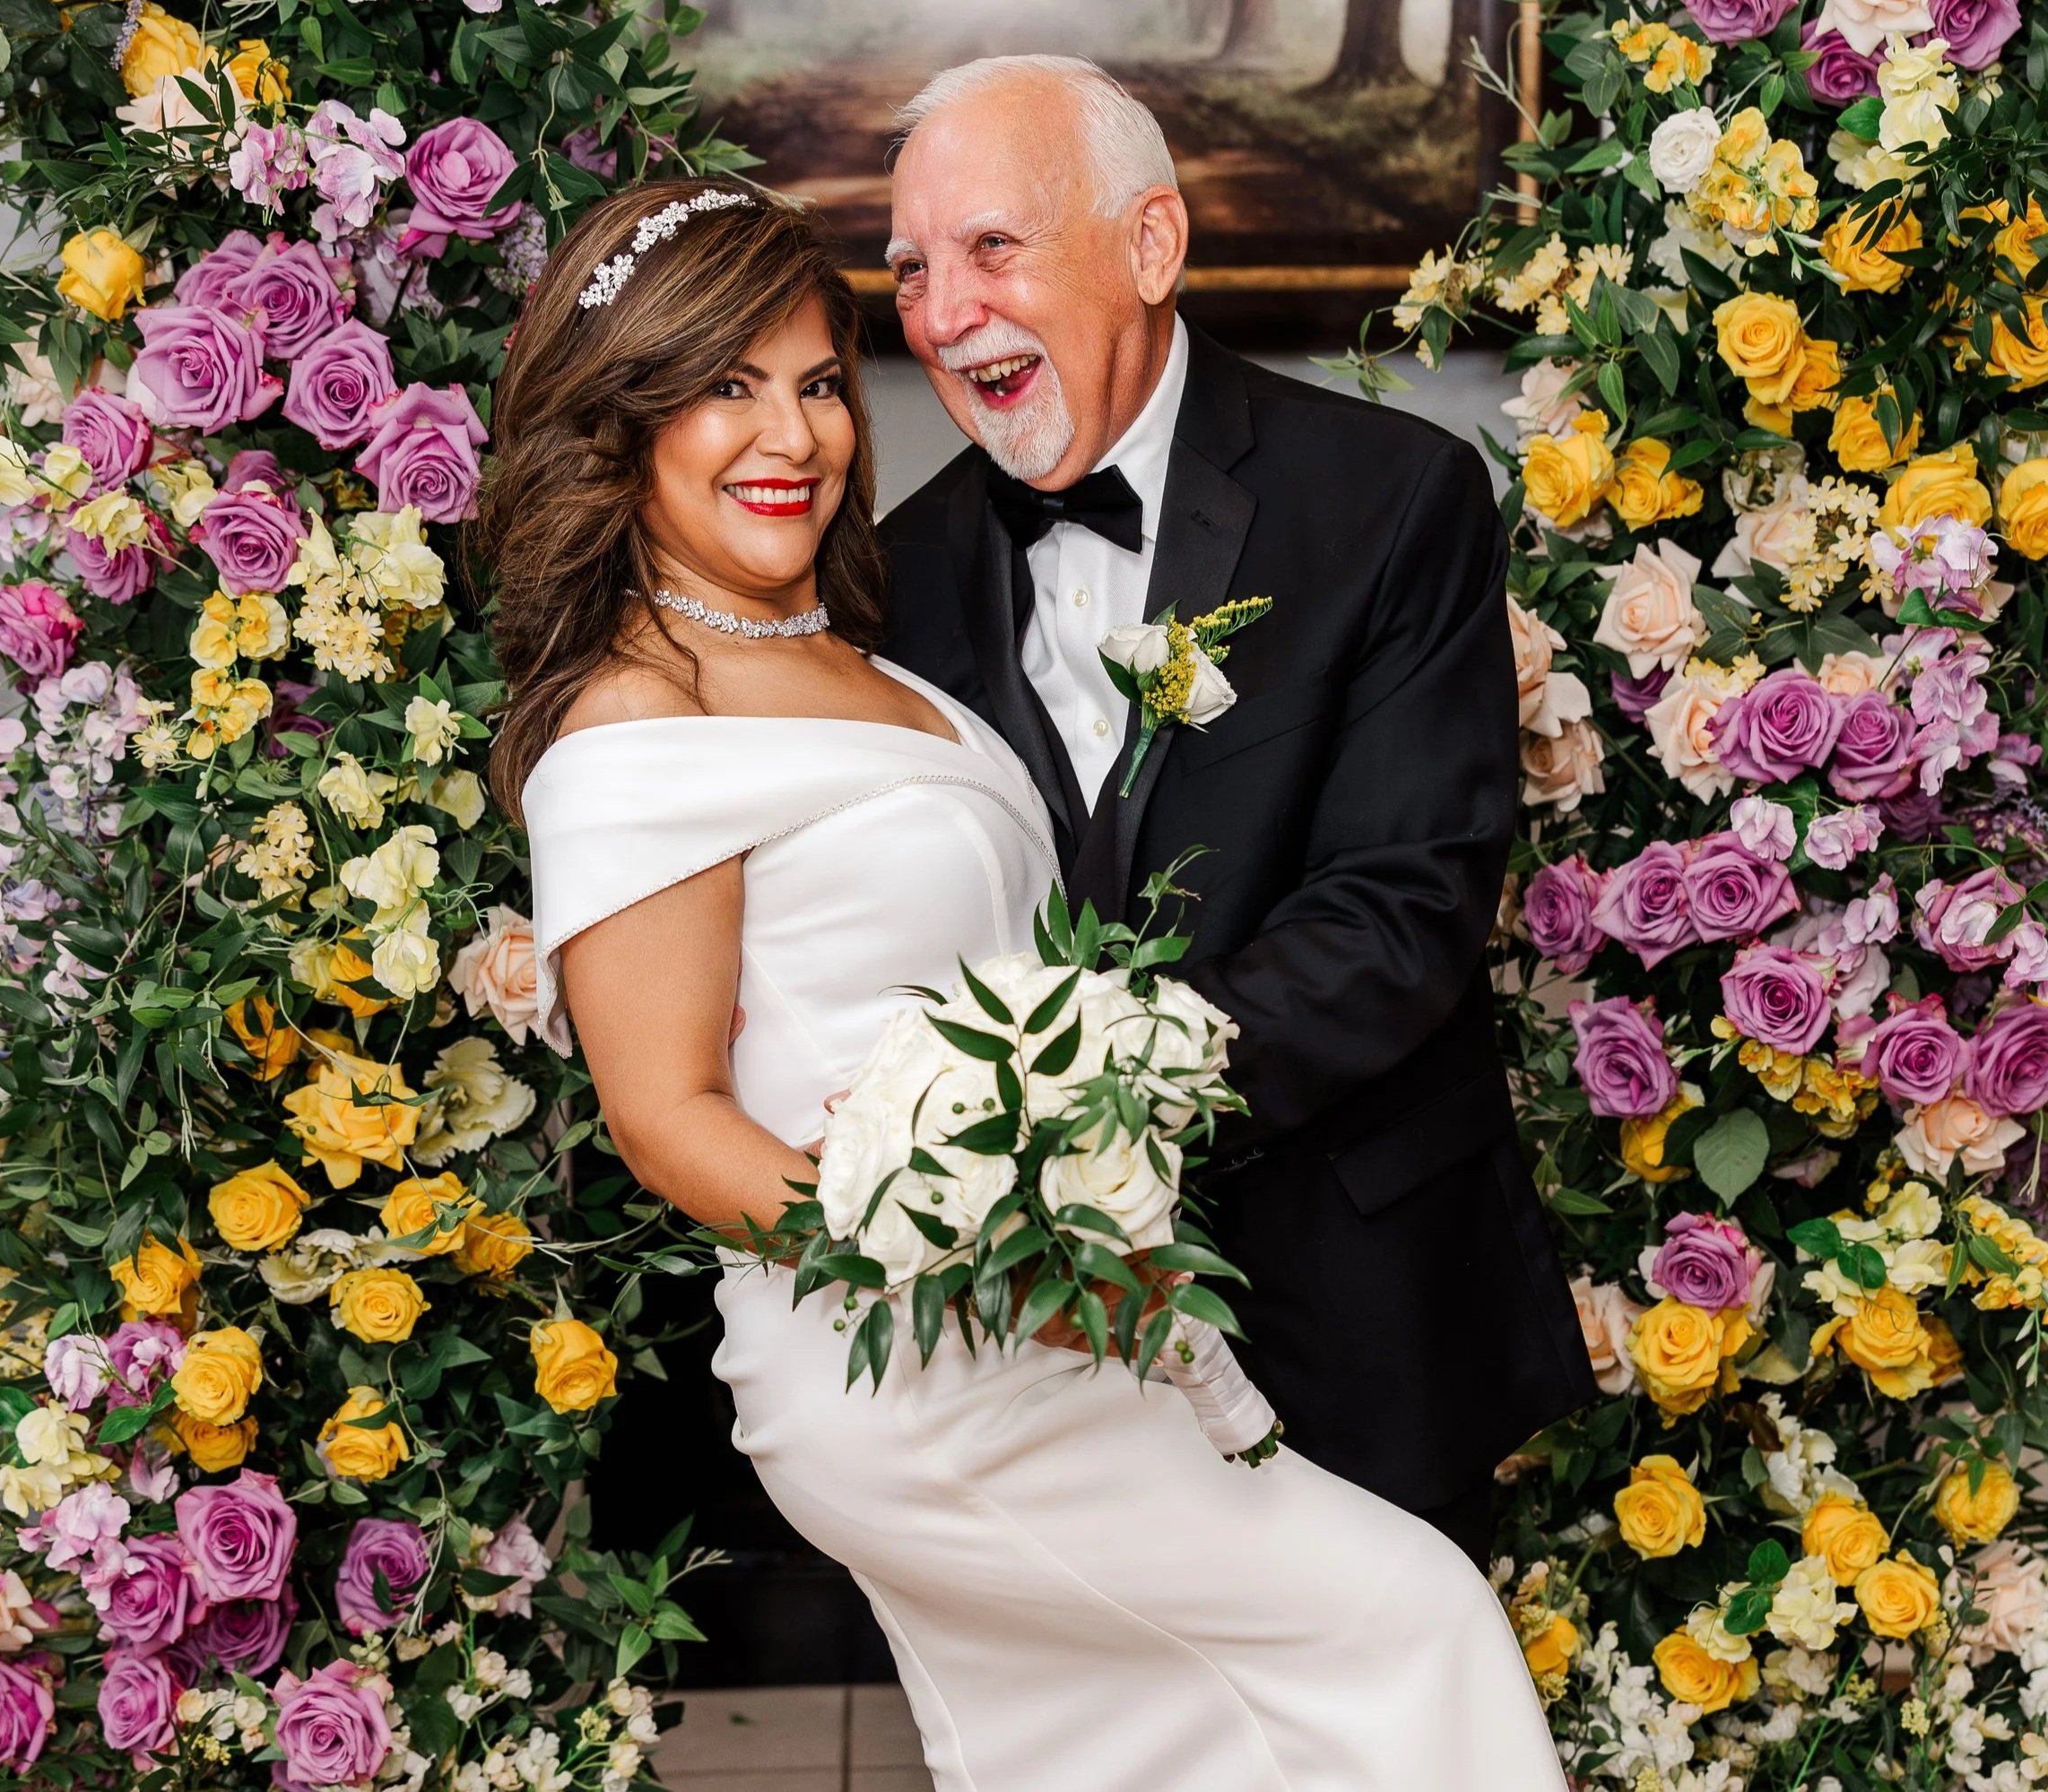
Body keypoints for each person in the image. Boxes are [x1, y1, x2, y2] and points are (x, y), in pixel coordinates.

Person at [488, 180, 1566, 1788]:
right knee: (1409, 1628)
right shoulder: (635, 722)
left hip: (1051, 1326)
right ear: (623, 420)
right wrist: (973, 1249)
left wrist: (1076, 1200)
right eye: (722, 386)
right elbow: (665, 1122)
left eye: (814, 383)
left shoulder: (854, 643)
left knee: (1156, 1754)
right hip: (910, 1355)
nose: (788, 435)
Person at [876, 55, 1600, 1570]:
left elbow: (1402, 910)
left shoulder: (1395, 499)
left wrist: (1102, 1105)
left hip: (1355, 1304)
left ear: (1150, 245)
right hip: (1024, 1355)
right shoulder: (889, 579)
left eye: (991, 248)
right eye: (911, 271)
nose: (944, 316)